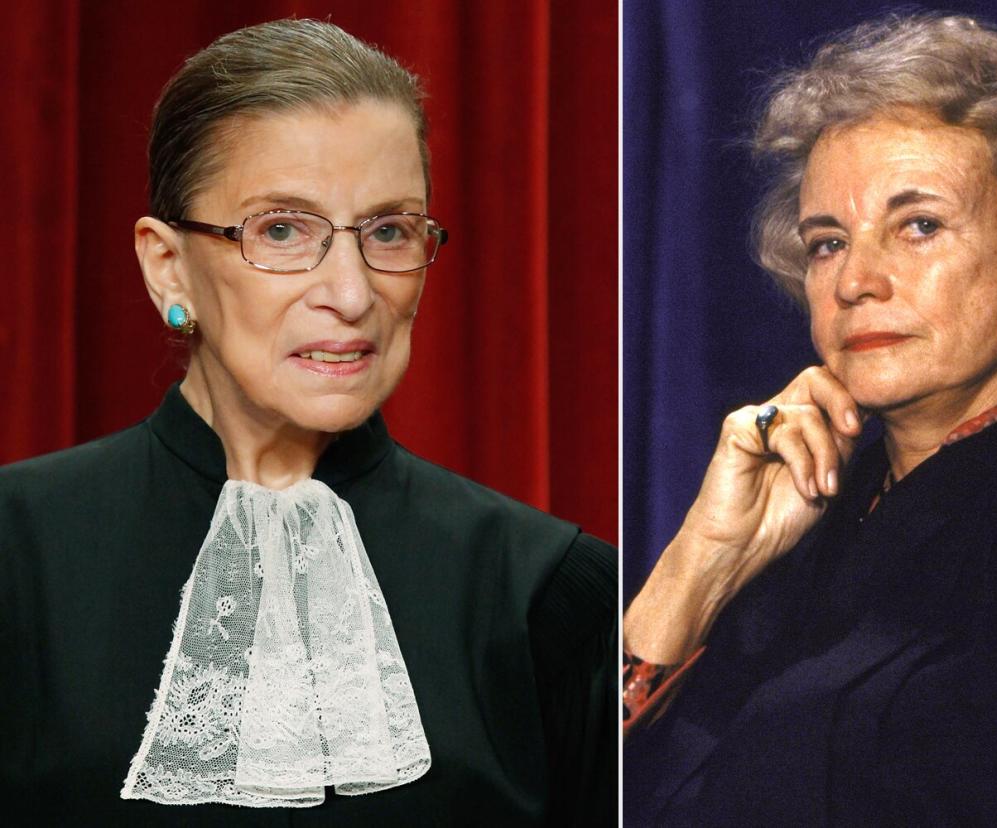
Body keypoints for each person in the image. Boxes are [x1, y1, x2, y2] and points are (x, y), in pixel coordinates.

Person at [624, 13, 997, 825]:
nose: (857, 281)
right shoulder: (791, 529)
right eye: (827, 243)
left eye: (918, 226)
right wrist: (700, 563)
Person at [0, 19, 616, 825]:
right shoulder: (15, 553)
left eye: (389, 231)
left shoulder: (551, 593)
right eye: (283, 229)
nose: (352, 294)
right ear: (168, 265)